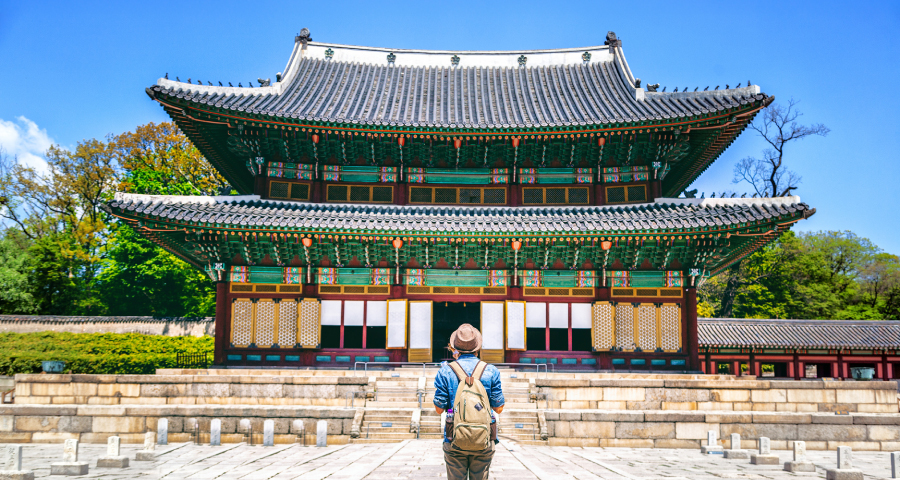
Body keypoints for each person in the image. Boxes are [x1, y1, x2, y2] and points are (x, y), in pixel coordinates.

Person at [433, 323, 505, 480]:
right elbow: (498, 408)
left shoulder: (445, 371)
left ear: (455, 348)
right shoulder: (491, 371)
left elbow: (439, 409)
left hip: (454, 438)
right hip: (483, 438)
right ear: (477, 348)